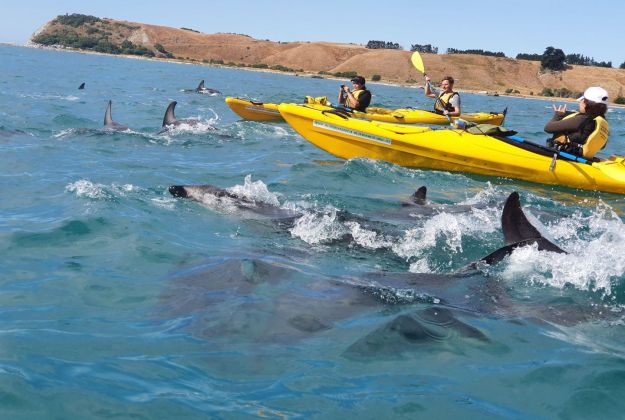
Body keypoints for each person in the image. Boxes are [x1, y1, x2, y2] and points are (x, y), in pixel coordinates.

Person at [544, 86, 609, 159]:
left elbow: (548, 128)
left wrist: (558, 115)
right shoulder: (601, 122)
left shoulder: (582, 119)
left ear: (586, 103)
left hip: (564, 158)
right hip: (583, 159)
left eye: (582, 100)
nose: (580, 103)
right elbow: (602, 146)